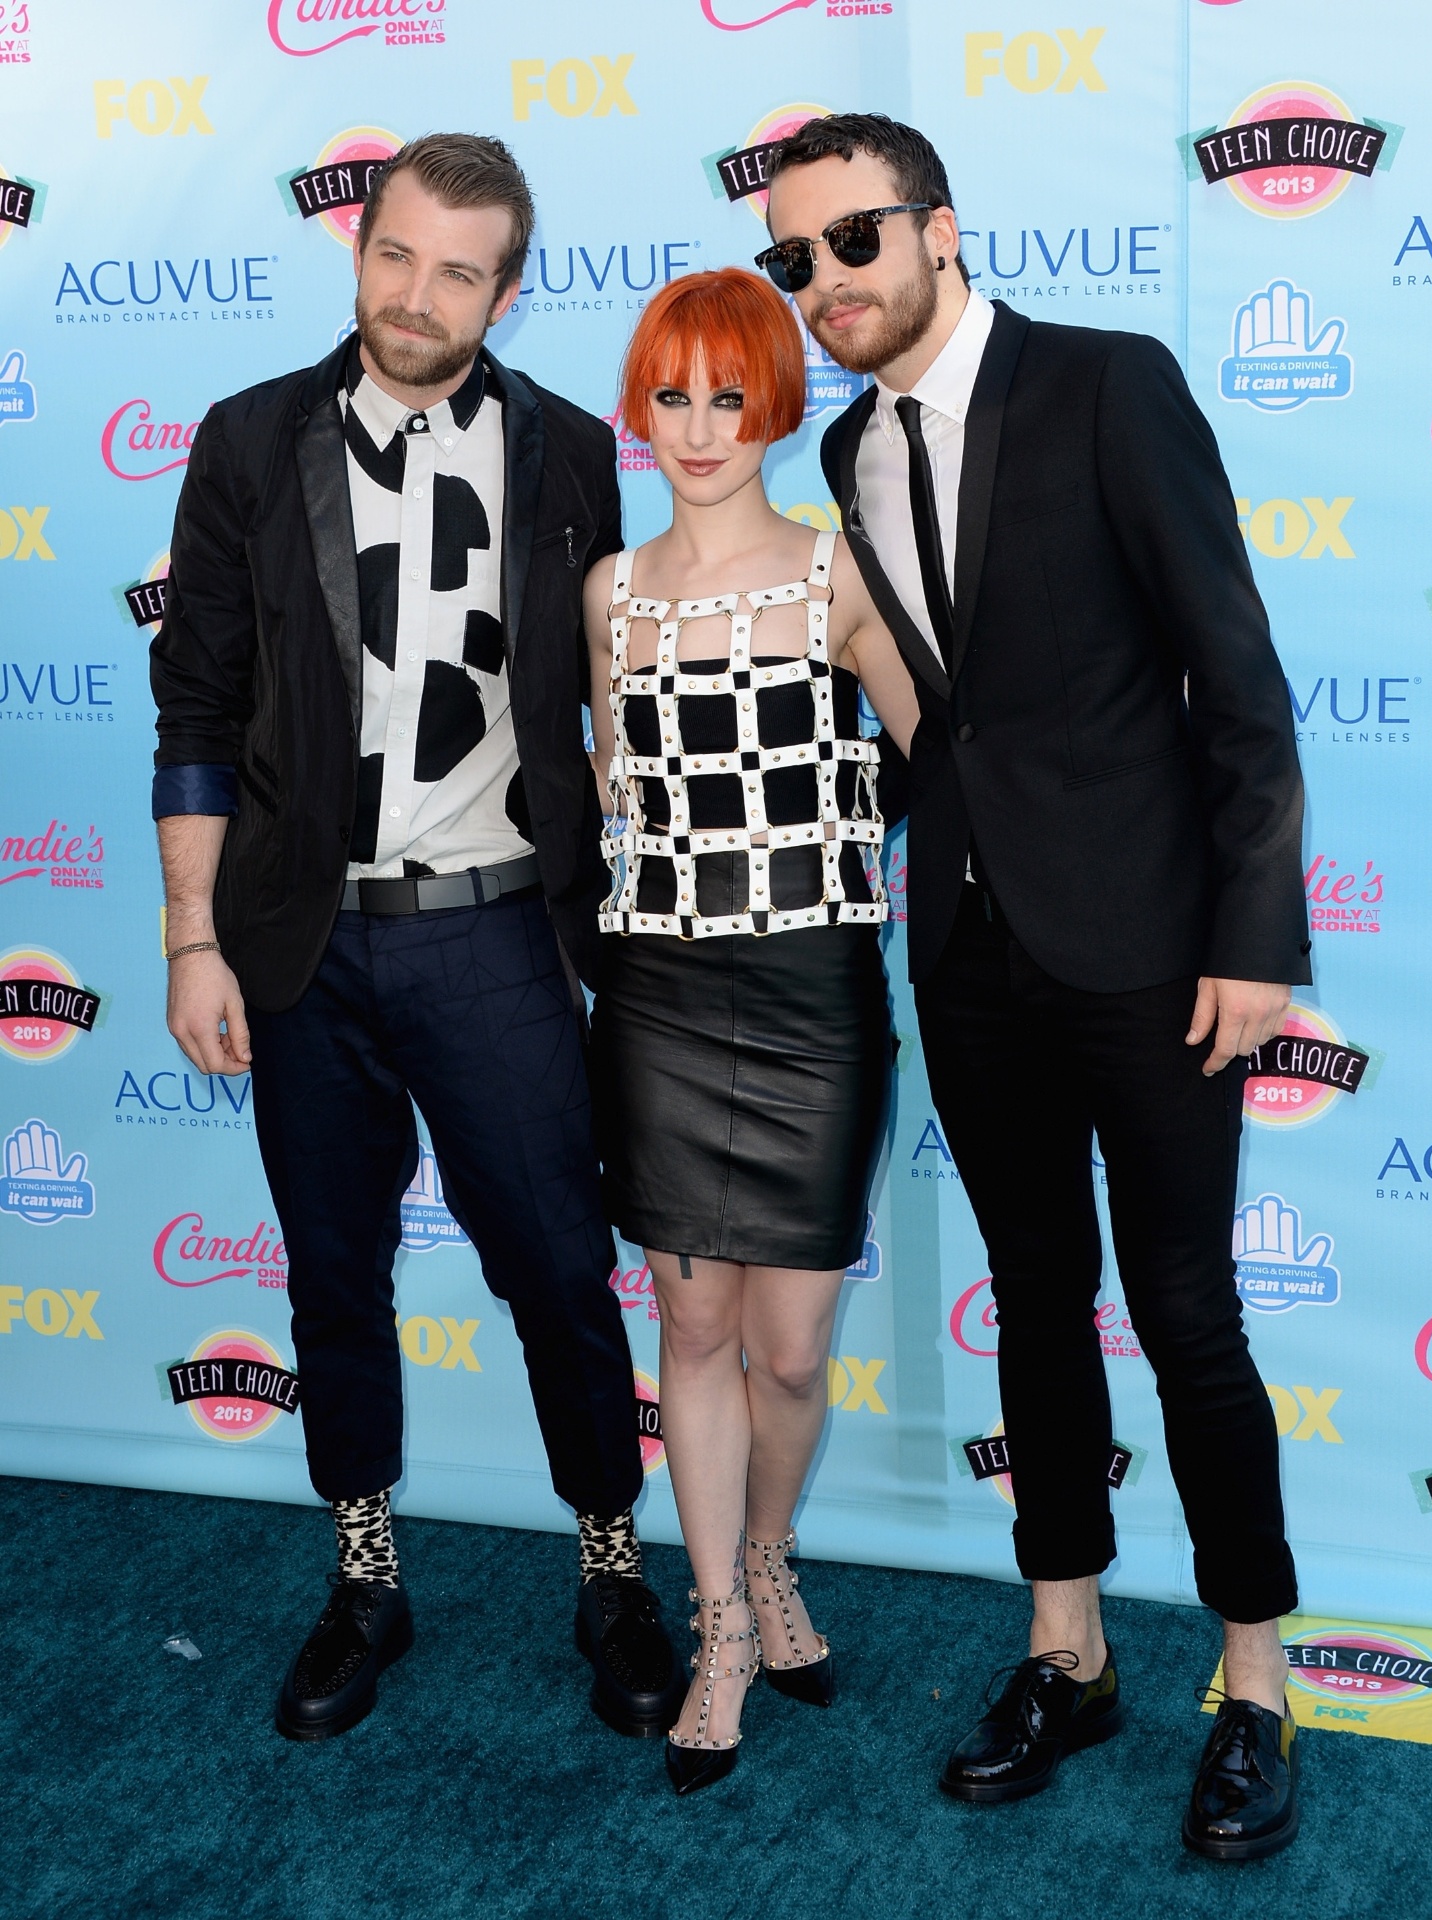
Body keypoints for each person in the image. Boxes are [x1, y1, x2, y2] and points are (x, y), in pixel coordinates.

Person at [763, 114, 1311, 1861]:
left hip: (1155, 949)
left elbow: (1234, 671)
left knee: (1185, 1313)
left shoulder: (1103, 382)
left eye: (852, 242)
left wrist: (1251, 937)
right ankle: (1063, 1652)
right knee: (1030, 1298)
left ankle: (1254, 1682)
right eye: (794, 263)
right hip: (976, 952)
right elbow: (934, 719)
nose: (824, 283)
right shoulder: (848, 449)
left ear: (935, 227)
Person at [150, 133, 683, 1745]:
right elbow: (197, 708)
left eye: (460, 270)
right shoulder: (249, 443)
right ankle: (364, 1575)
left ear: (505, 292)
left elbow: (620, 702)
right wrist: (191, 935)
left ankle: (609, 1566)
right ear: (356, 249)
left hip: (501, 934)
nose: (417, 292)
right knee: (331, 1274)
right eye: (396, 254)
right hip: (300, 947)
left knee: (560, 1277)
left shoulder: (575, 452)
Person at [582, 267, 918, 1795]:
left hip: (812, 991)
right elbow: (613, 797)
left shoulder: (838, 572)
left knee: (788, 1351)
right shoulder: (611, 591)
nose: (700, 428)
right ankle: (719, 1618)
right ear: (637, 405)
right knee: (695, 1331)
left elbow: (936, 759)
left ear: (775, 403)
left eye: (731, 394)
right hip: (657, 991)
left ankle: (772, 1556)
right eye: (673, 395)